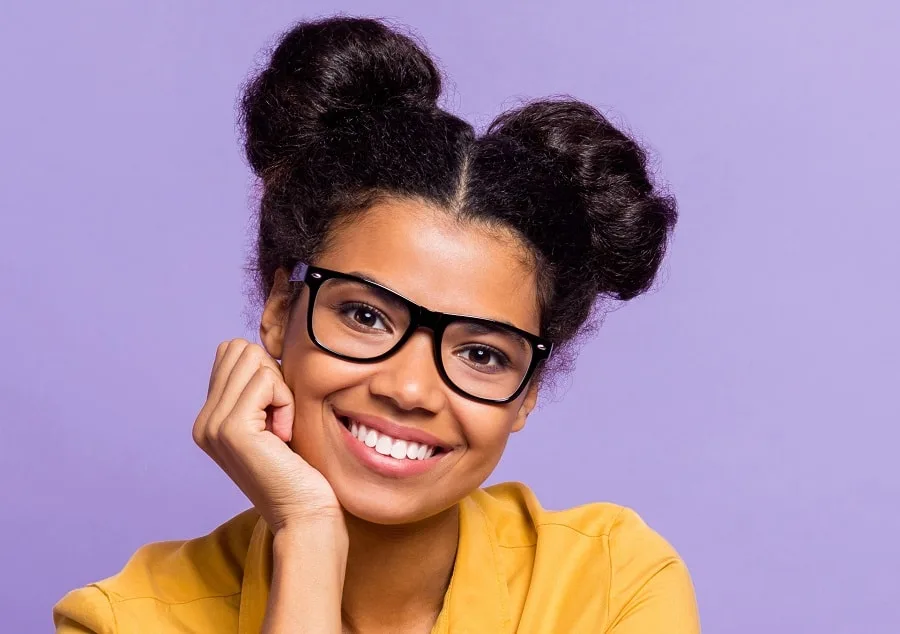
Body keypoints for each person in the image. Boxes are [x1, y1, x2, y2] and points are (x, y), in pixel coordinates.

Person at [54, 16, 700, 634]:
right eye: (365, 316)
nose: (410, 389)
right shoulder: (123, 621)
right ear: (282, 311)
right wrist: (307, 535)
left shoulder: (611, 586)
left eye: (482, 354)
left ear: (528, 390)